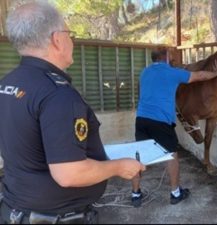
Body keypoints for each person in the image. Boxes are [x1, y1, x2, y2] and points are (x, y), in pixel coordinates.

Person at [0, 1, 145, 224]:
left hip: (14, 210)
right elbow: (70, 174)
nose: (72, 41)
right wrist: (119, 167)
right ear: (57, 40)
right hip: (53, 217)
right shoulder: (58, 94)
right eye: (70, 34)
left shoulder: (7, 83)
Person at [131, 48, 217, 207]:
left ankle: (135, 194)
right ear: (166, 58)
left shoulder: (145, 72)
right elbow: (200, 76)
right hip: (161, 121)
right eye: (171, 57)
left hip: (141, 119)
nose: (173, 59)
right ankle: (175, 193)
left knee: (139, 157)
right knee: (172, 155)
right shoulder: (172, 72)